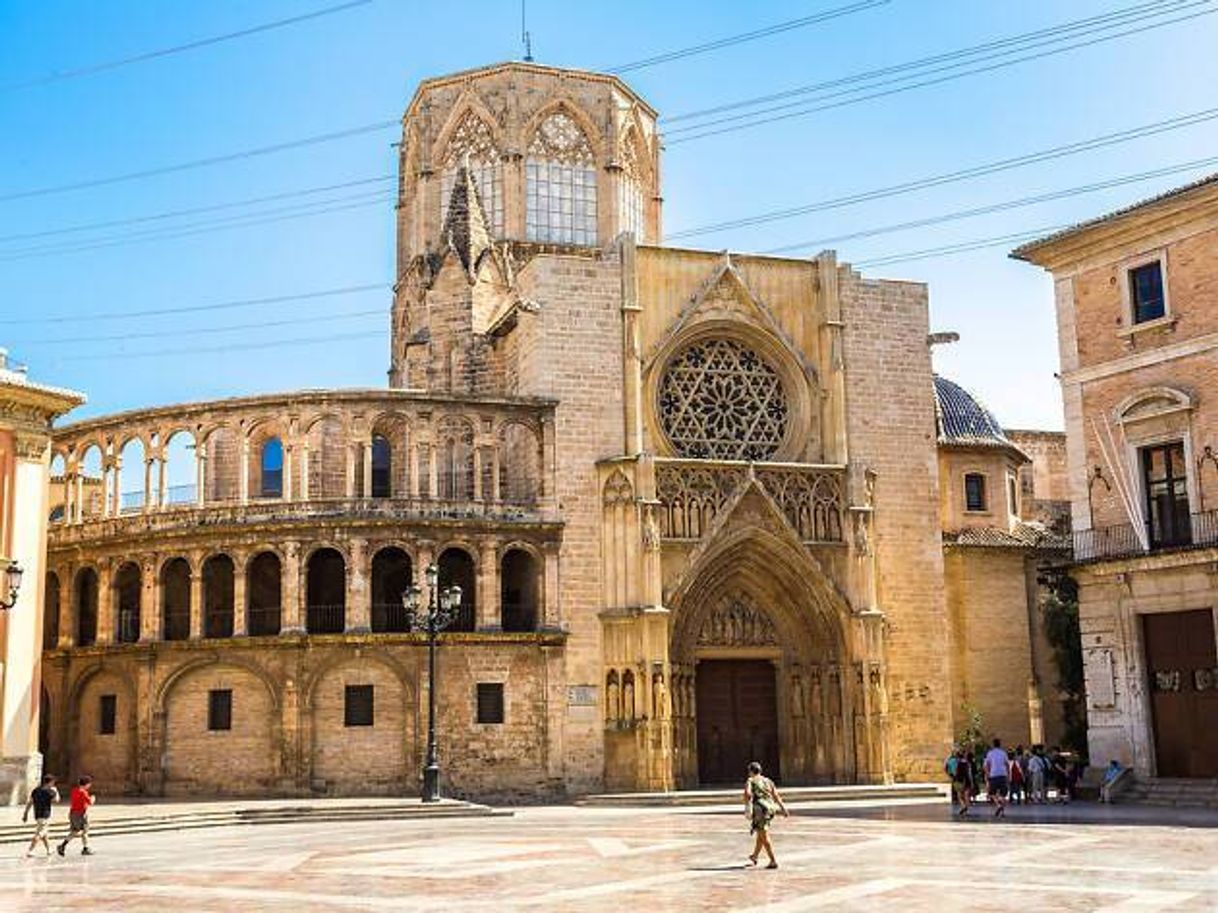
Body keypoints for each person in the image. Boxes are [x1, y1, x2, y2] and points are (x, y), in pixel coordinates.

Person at [743, 761, 788, 869]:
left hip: (760, 809)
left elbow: (748, 794)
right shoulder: (768, 781)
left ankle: (773, 860)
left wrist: (747, 806)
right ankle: (755, 856)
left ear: (750, 771)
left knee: (764, 835)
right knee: (761, 832)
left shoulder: (751, 780)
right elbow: (776, 795)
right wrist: (783, 808)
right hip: (770, 808)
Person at [22, 775, 59, 858]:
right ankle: (30, 850)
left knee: (44, 833)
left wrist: (26, 813)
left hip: (37, 814)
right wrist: (56, 791)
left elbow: (30, 802)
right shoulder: (50, 791)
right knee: (39, 833)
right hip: (45, 815)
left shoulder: (36, 790)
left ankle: (49, 849)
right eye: (53, 782)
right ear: (51, 782)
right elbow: (56, 800)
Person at [57, 776, 95, 856]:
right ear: (87, 784)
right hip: (81, 814)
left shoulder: (74, 790)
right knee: (85, 831)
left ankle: (63, 845)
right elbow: (90, 802)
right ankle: (85, 848)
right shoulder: (83, 792)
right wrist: (93, 798)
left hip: (73, 813)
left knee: (74, 831)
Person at [983, 737, 1010, 818]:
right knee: (1003, 794)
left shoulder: (990, 753)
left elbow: (986, 765)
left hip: (993, 774)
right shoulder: (1003, 753)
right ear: (1000, 744)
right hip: (1003, 774)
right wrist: (1008, 774)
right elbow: (1007, 765)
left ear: (993, 745)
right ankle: (1002, 812)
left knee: (992, 793)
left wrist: (987, 774)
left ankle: (998, 805)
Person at [950, 747, 974, 817]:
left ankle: (963, 806)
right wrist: (972, 782)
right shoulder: (968, 764)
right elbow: (969, 773)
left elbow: (956, 772)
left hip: (959, 780)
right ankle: (966, 807)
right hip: (967, 780)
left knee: (960, 795)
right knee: (967, 796)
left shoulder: (958, 763)